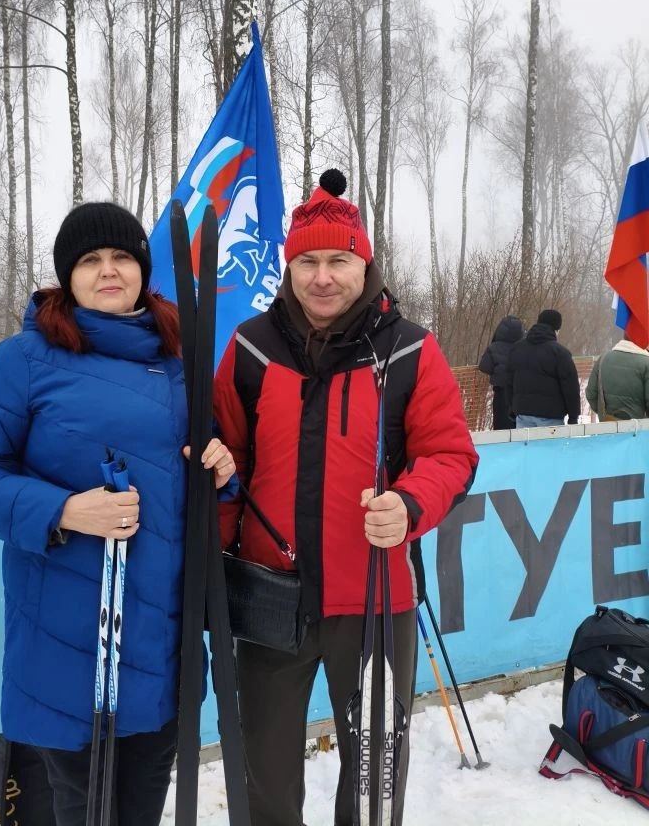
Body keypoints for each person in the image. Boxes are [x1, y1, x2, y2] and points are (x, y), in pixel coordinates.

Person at [0, 202, 237, 826]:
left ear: (142, 269)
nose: (109, 271)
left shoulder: (178, 357)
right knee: (80, 811)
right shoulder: (27, 359)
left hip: (160, 639)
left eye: (122, 257)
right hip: (68, 641)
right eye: (90, 260)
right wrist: (66, 510)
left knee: (140, 811)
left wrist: (219, 470)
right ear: (67, 276)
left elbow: (199, 471)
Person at [213, 169, 478, 826]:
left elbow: (450, 454)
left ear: (365, 263)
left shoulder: (410, 348)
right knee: (265, 780)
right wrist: (214, 541)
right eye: (307, 261)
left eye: (338, 260)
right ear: (289, 266)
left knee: (373, 783)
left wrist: (411, 504)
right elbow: (225, 462)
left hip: (375, 602)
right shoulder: (251, 347)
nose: (322, 277)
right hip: (271, 599)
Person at [505, 308, 580, 428]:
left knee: (526, 447)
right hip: (550, 416)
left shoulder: (517, 349)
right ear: (556, 329)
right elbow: (571, 387)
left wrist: (512, 407)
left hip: (522, 413)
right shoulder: (560, 353)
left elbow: (509, 382)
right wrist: (573, 416)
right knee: (550, 447)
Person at [585, 335, 649, 420]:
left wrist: (604, 414)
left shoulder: (603, 358)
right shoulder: (646, 363)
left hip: (608, 427)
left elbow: (591, 394)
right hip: (640, 430)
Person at [478, 316, 524, 429]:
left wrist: (497, 371)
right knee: (518, 425)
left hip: (501, 391)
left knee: (501, 424)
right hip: (520, 391)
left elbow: (484, 366)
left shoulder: (494, 347)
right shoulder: (524, 347)